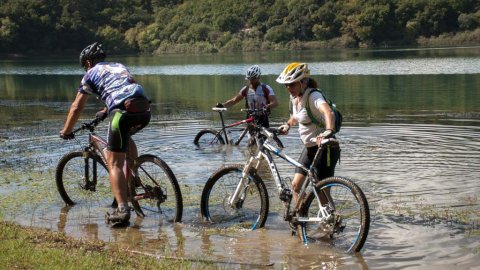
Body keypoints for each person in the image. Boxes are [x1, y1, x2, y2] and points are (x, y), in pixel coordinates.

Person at [59, 42, 151, 226]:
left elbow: (76, 107)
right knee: (127, 138)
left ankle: (122, 209)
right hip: (143, 109)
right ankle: (134, 176)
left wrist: (66, 130)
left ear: (87, 62)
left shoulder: (90, 74)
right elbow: (124, 89)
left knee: (114, 162)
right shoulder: (119, 67)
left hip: (122, 114)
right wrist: (105, 109)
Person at [276, 63, 340, 203]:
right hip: (310, 148)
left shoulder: (314, 96)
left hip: (325, 149)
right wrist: (287, 124)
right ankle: (301, 218)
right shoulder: (295, 98)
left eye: (292, 84)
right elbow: (298, 115)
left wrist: (329, 130)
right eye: (286, 85)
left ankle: (331, 221)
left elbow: (327, 111)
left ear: (303, 82)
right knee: (296, 186)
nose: (288, 88)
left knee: (323, 194)